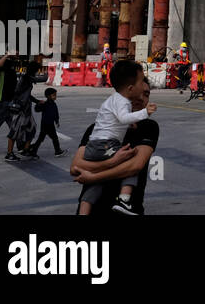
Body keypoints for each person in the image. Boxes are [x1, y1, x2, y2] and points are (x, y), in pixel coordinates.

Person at [76, 59, 156, 215]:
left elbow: (136, 166)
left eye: (146, 94)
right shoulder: (96, 128)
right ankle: (123, 199)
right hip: (98, 211)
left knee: (94, 186)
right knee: (128, 164)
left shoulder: (148, 128)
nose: (141, 98)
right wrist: (114, 161)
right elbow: (75, 167)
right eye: (139, 91)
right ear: (130, 89)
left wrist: (92, 176)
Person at [29, 87, 64, 157]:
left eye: (55, 95)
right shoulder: (45, 104)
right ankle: (57, 151)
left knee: (42, 139)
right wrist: (38, 103)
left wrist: (57, 121)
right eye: (54, 95)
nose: (55, 97)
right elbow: (37, 110)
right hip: (45, 124)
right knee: (53, 138)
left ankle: (33, 150)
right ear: (48, 96)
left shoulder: (54, 104)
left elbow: (55, 113)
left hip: (50, 124)